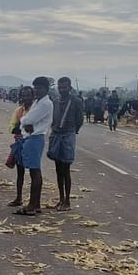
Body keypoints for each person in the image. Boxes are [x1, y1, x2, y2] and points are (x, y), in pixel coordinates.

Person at [15, 76, 54, 216]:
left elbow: (27, 119)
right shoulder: (38, 101)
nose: (37, 90)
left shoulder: (45, 104)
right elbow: (25, 121)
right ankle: (36, 204)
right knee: (34, 171)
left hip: (35, 138)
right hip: (32, 137)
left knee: (34, 171)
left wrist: (25, 122)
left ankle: (32, 205)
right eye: (36, 87)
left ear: (46, 89)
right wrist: (25, 122)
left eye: (40, 88)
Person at [48, 77, 83, 211]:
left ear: (69, 87)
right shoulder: (56, 101)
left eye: (64, 87)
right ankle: (61, 198)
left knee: (65, 169)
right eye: (60, 87)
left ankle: (67, 201)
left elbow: (80, 119)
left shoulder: (76, 101)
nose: (62, 90)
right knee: (58, 169)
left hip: (68, 135)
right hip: (56, 134)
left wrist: (74, 131)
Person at [7, 86, 35, 207]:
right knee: (20, 172)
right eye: (24, 95)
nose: (26, 97)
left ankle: (33, 201)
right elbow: (11, 126)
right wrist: (17, 128)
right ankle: (19, 197)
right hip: (20, 143)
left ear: (33, 96)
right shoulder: (18, 111)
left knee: (34, 173)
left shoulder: (36, 110)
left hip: (33, 144)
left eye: (28, 95)